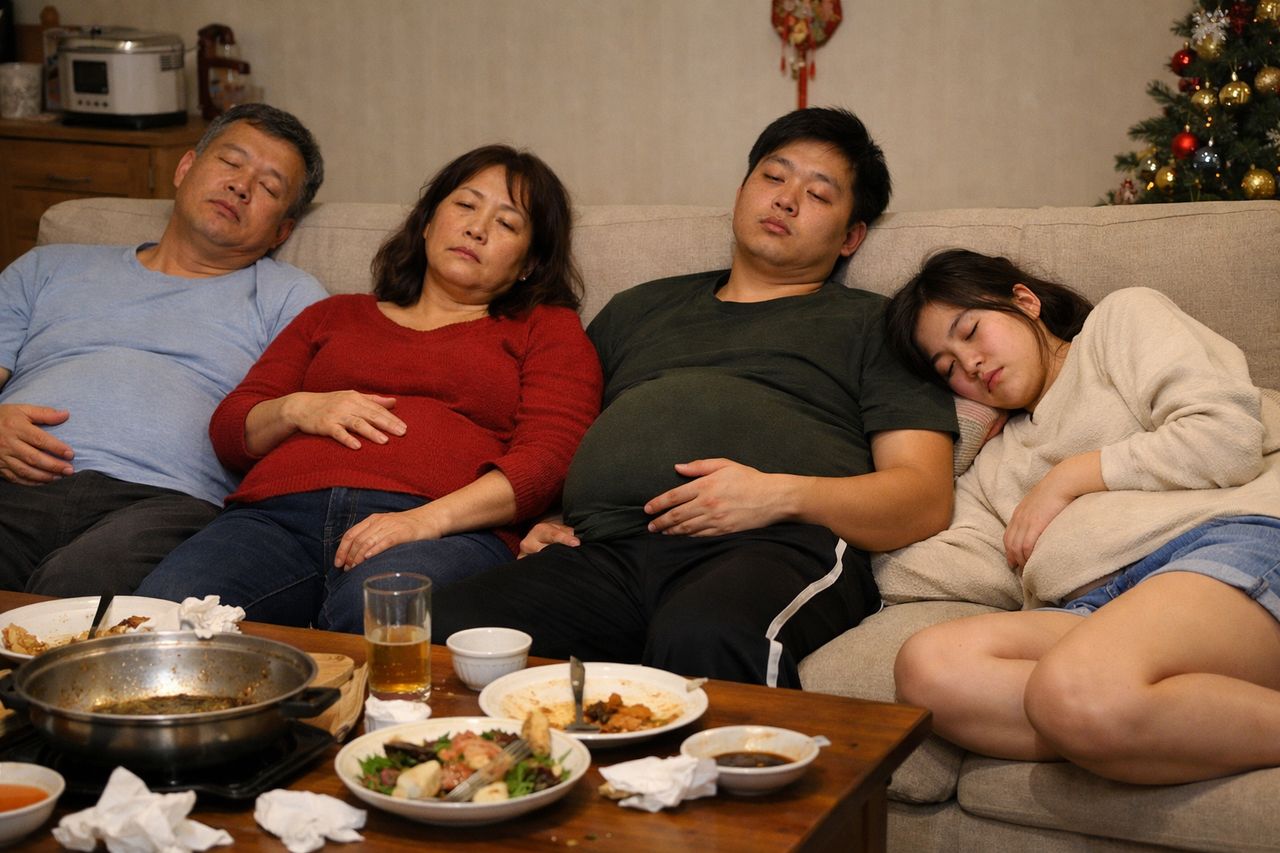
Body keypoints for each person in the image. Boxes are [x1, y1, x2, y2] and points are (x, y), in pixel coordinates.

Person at [432, 107, 958, 687]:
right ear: (741, 191)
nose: (785, 200)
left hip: (773, 547)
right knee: (447, 632)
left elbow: (923, 498)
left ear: (851, 236)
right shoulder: (637, 309)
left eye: (818, 194)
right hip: (607, 551)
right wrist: (549, 516)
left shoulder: (876, 324)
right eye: (773, 176)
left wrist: (776, 496)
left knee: (704, 634)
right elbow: (557, 432)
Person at [137, 145, 603, 633]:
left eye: (506, 224)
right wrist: (297, 408)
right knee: (162, 620)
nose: (477, 228)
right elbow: (232, 430)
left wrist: (427, 521)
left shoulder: (547, 328)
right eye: (465, 205)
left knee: (380, 621)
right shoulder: (332, 314)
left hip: (439, 530)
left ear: (529, 263)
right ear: (427, 222)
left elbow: (549, 459)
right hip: (275, 518)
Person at [881, 249, 1280, 785]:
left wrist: (1070, 477)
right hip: (1095, 611)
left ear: (1025, 301)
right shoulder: (993, 465)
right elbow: (939, 569)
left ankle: (1108, 706)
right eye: (948, 368)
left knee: (1073, 691)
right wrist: (950, 451)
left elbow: (1227, 439)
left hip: (1227, 544)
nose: (970, 364)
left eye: (971, 331)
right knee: (929, 669)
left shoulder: (1119, 323)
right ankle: (1129, 715)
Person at [0, 103, 327, 597]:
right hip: (14, 485)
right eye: (231, 162)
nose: (241, 186)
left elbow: (305, 422)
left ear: (282, 230)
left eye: (268, 187)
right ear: (185, 167)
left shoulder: (289, 297)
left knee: (78, 590)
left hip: (164, 504)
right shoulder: (47, 267)